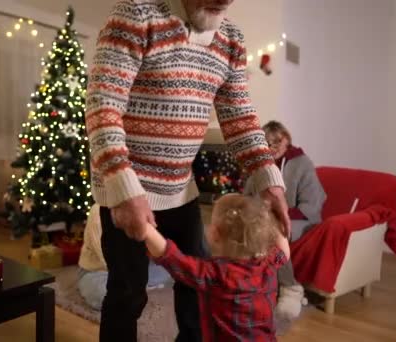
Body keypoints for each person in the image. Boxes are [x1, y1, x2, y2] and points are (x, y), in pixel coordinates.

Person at [85, 0, 291, 340]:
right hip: (127, 189)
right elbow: (102, 106)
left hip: (181, 188)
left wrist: (269, 179)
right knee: (127, 293)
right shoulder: (135, 14)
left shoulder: (232, 39)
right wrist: (123, 188)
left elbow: (240, 117)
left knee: (196, 290)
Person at [144, 194, 290, 341]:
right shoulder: (269, 265)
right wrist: (273, 213)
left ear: (214, 234)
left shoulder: (213, 274)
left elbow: (171, 257)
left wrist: (146, 228)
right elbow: (284, 252)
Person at [244, 120, 326, 320]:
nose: (271, 148)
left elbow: (312, 204)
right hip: (267, 217)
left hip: (302, 219)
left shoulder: (302, 163)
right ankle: (252, 285)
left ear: (286, 140)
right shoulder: (261, 164)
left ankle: (291, 288)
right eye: (267, 144)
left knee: (274, 231)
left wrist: (282, 215)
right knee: (246, 227)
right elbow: (247, 196)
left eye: (276, 143)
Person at [77, 204, 172, 310]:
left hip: (135, 267)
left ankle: (138, 288)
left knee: (166, 270)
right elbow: (106, 258)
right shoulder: (99, 211)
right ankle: (139, 289)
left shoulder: (143, 206)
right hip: (98, 271)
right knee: (102, 294)